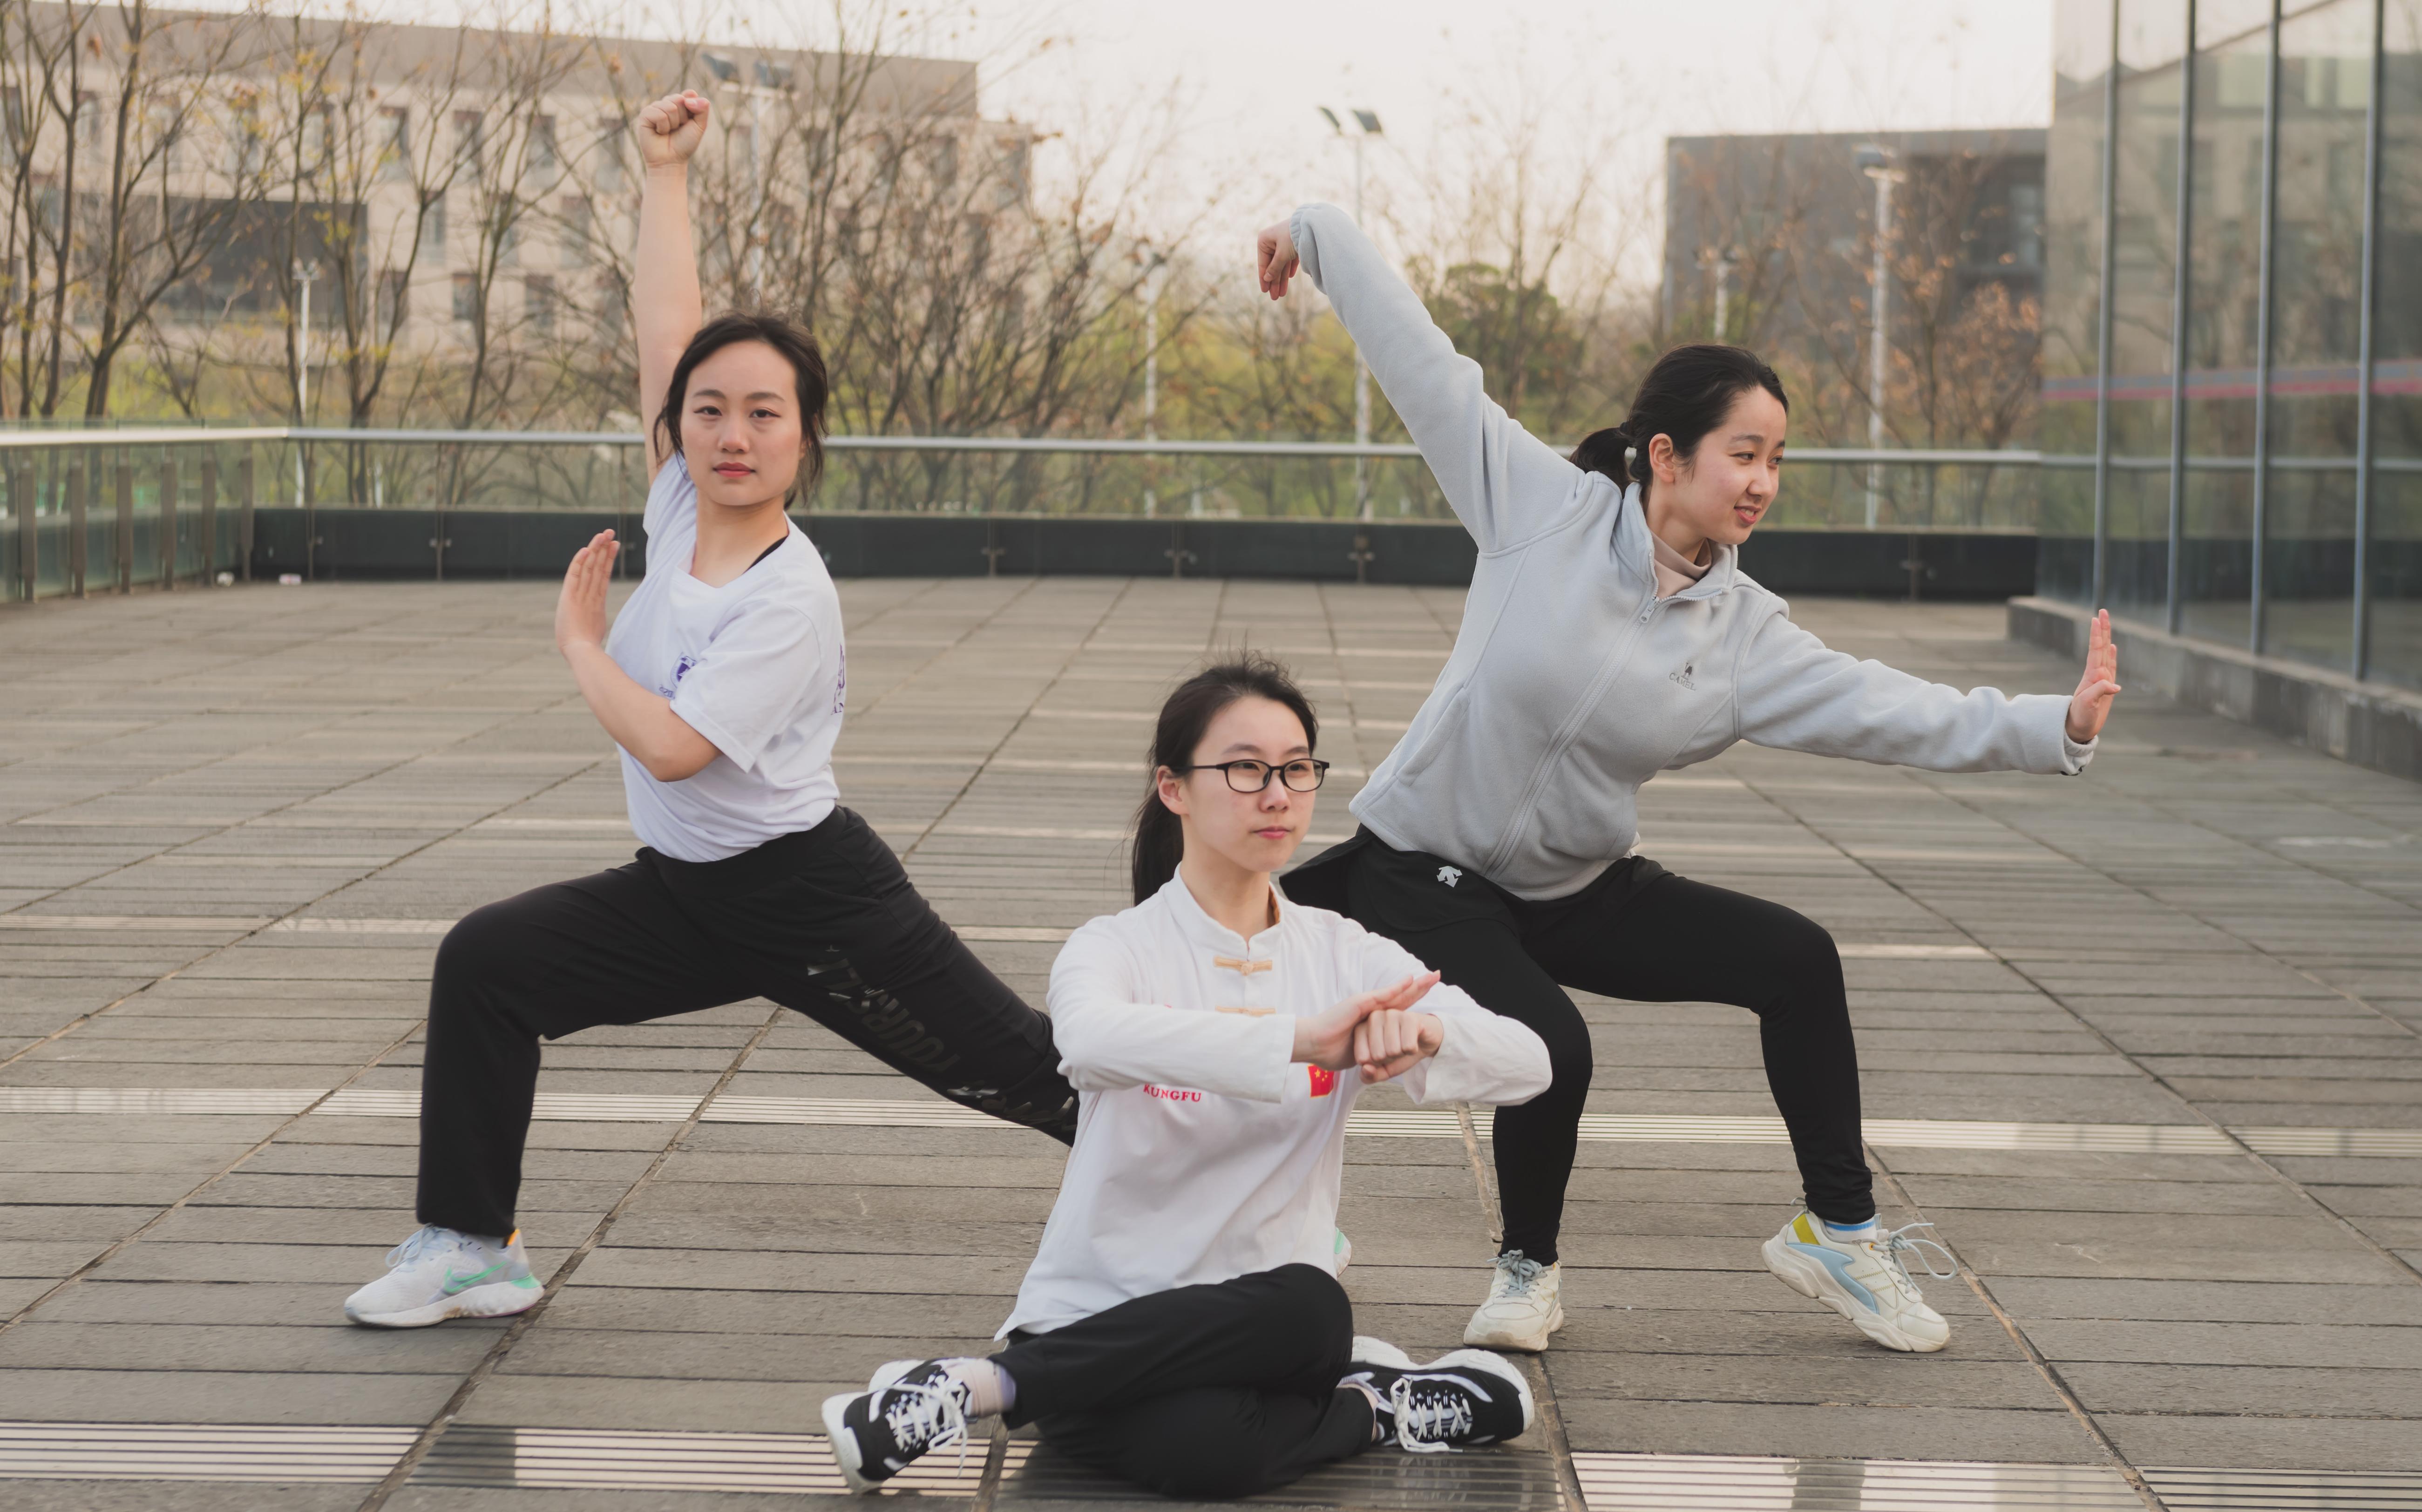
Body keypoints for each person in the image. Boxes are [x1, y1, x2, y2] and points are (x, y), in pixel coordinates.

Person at [1256, 203, 2124, 1358]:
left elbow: (1893, 709)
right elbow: (1426, 362)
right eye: (1746, 455)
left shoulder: (1744, 635)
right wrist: (1316, 230)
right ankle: (1518, 1269)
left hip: (1574, 887)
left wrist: (2051, 724)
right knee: (1536, 1042)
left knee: (1796, 959)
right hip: (1422, 868)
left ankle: (1838, 1233)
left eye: (1778, 460)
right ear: (1667, 456)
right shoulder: (1540, 511)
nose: (1765, 482)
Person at [341, 90, 1078, 1329]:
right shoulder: (679, 504)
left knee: (1021, 1073)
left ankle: (1240, 1191)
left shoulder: (793, 599)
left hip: (810, 898)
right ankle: (473, 1246)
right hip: (684, 895)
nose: (732, 432)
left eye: (764, 413)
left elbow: (677, 750)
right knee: (488, 963)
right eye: (710, 410)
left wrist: (581, 642)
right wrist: (666, 174)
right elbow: (667, 326)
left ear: (805, 438)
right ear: (680, 428)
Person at [820, 658, 1553, 1499]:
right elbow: (1088, 1042)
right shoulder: (1115, 946)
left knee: (1311, 1307)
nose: (1277, 794)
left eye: (1297, 769)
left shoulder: (1343, 953)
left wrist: (1422, 1034)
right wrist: (1300, 1040)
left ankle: (969, 1388)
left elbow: (1530, 1064)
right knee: (1209, 1456)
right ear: (1173, 789)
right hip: (1089, 1323)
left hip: (1274, 1328)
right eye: (1245, 768)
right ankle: (1376, 1406)